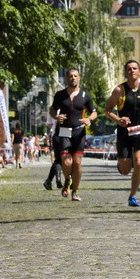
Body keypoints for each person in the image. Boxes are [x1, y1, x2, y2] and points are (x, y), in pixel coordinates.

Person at [105, 59, 140, 207]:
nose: (132, 71)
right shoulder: (119, 90)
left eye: (135, 68)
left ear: (139, 71)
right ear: (126, 73)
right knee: (125, 170)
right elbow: (108, 110)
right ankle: (122, 164)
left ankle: (133, 195)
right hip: (124, 132)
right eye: (129, 69)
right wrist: (118, 119)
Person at [50, 68, 97, 201]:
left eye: (75, 76)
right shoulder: (60, 95)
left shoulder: (85, 96)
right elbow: (52, 109)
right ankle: (67, 180)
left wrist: (89, 119)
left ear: (79, 78)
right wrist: (56, 116)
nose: (73, 78)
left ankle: (75, 191)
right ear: (67, 78)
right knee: (66, 161)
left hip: (79, 131)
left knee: (77, 163)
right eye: (70, 76)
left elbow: (94, 112)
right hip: (64, 131)